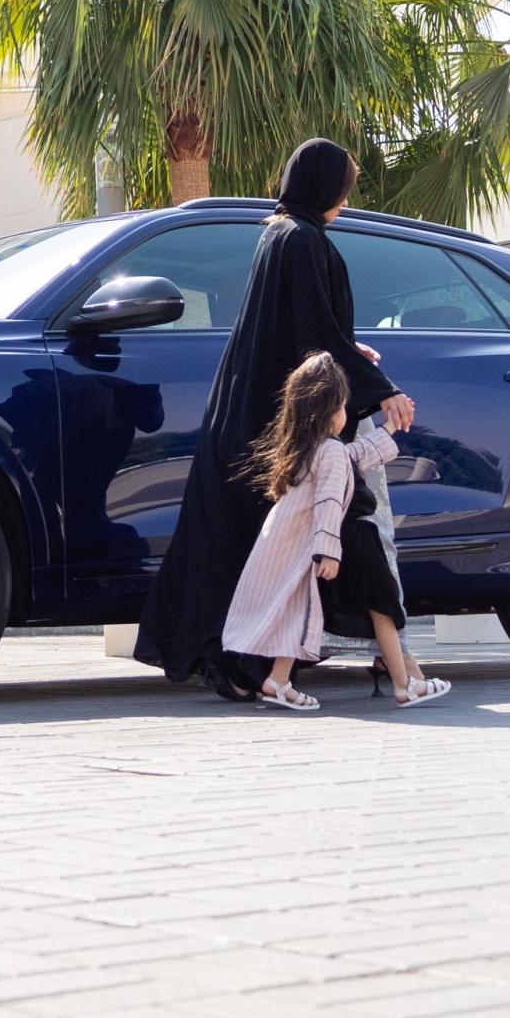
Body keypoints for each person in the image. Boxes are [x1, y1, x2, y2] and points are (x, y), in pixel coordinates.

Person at [135, 138, 416, 699]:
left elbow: (297, 330)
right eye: (343, 187)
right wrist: (381, 389)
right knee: (283, 547)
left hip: (247, 414)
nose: (344, 198)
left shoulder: (276, 235)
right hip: (276, 429)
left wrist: (348, 354)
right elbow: (313, 331)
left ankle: (239, 666)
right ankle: (254, 668)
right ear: (323, 186)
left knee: (239, 544)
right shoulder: (306, 240)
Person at [220, 351, 400, 710]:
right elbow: (330, 503)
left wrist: (389, 430)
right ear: (330, 410)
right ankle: (278, 680)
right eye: (344, 406)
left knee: (291, 606)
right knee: (299, 608)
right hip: (304, 544)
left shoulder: (306, 447)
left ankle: (278, 681)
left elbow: (354, 457)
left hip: (281, 541)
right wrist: (329, 550)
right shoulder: (330, 450)